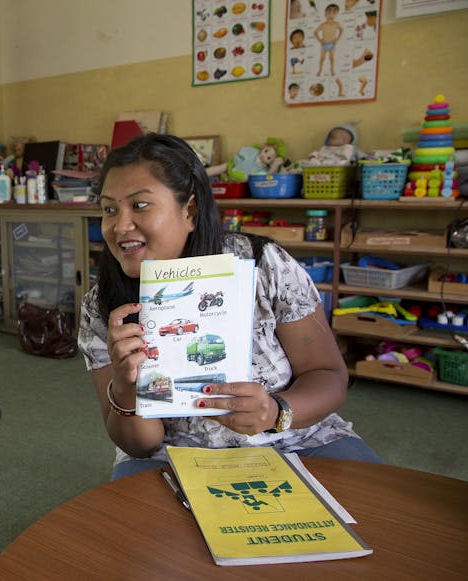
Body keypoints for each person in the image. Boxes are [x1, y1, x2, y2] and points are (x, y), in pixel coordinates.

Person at [77, 134, 381, 481]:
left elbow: (329, 375)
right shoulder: (103, 307)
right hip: (172, 458)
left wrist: (275, 412)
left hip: (298, 439)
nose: (120, 226)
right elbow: (141, 446)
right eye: (110, 209)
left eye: (140, 205)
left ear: (189, 210)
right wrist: (126, 386)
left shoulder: (262, 265)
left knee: (379, 520)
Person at [314, 4, 343, 76]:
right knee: (322, 58)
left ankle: (332, 70)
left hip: (332, 43)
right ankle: (320, 70)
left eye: (334, 13)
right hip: (325, 44)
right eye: (329, 13)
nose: (331, 15)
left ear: (336, 14)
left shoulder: (337, 24)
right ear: (325, 14)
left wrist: (338, 38)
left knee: (332, 58)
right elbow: (315, 32)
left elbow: (342, 30)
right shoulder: (323, 24)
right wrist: (320, 40)